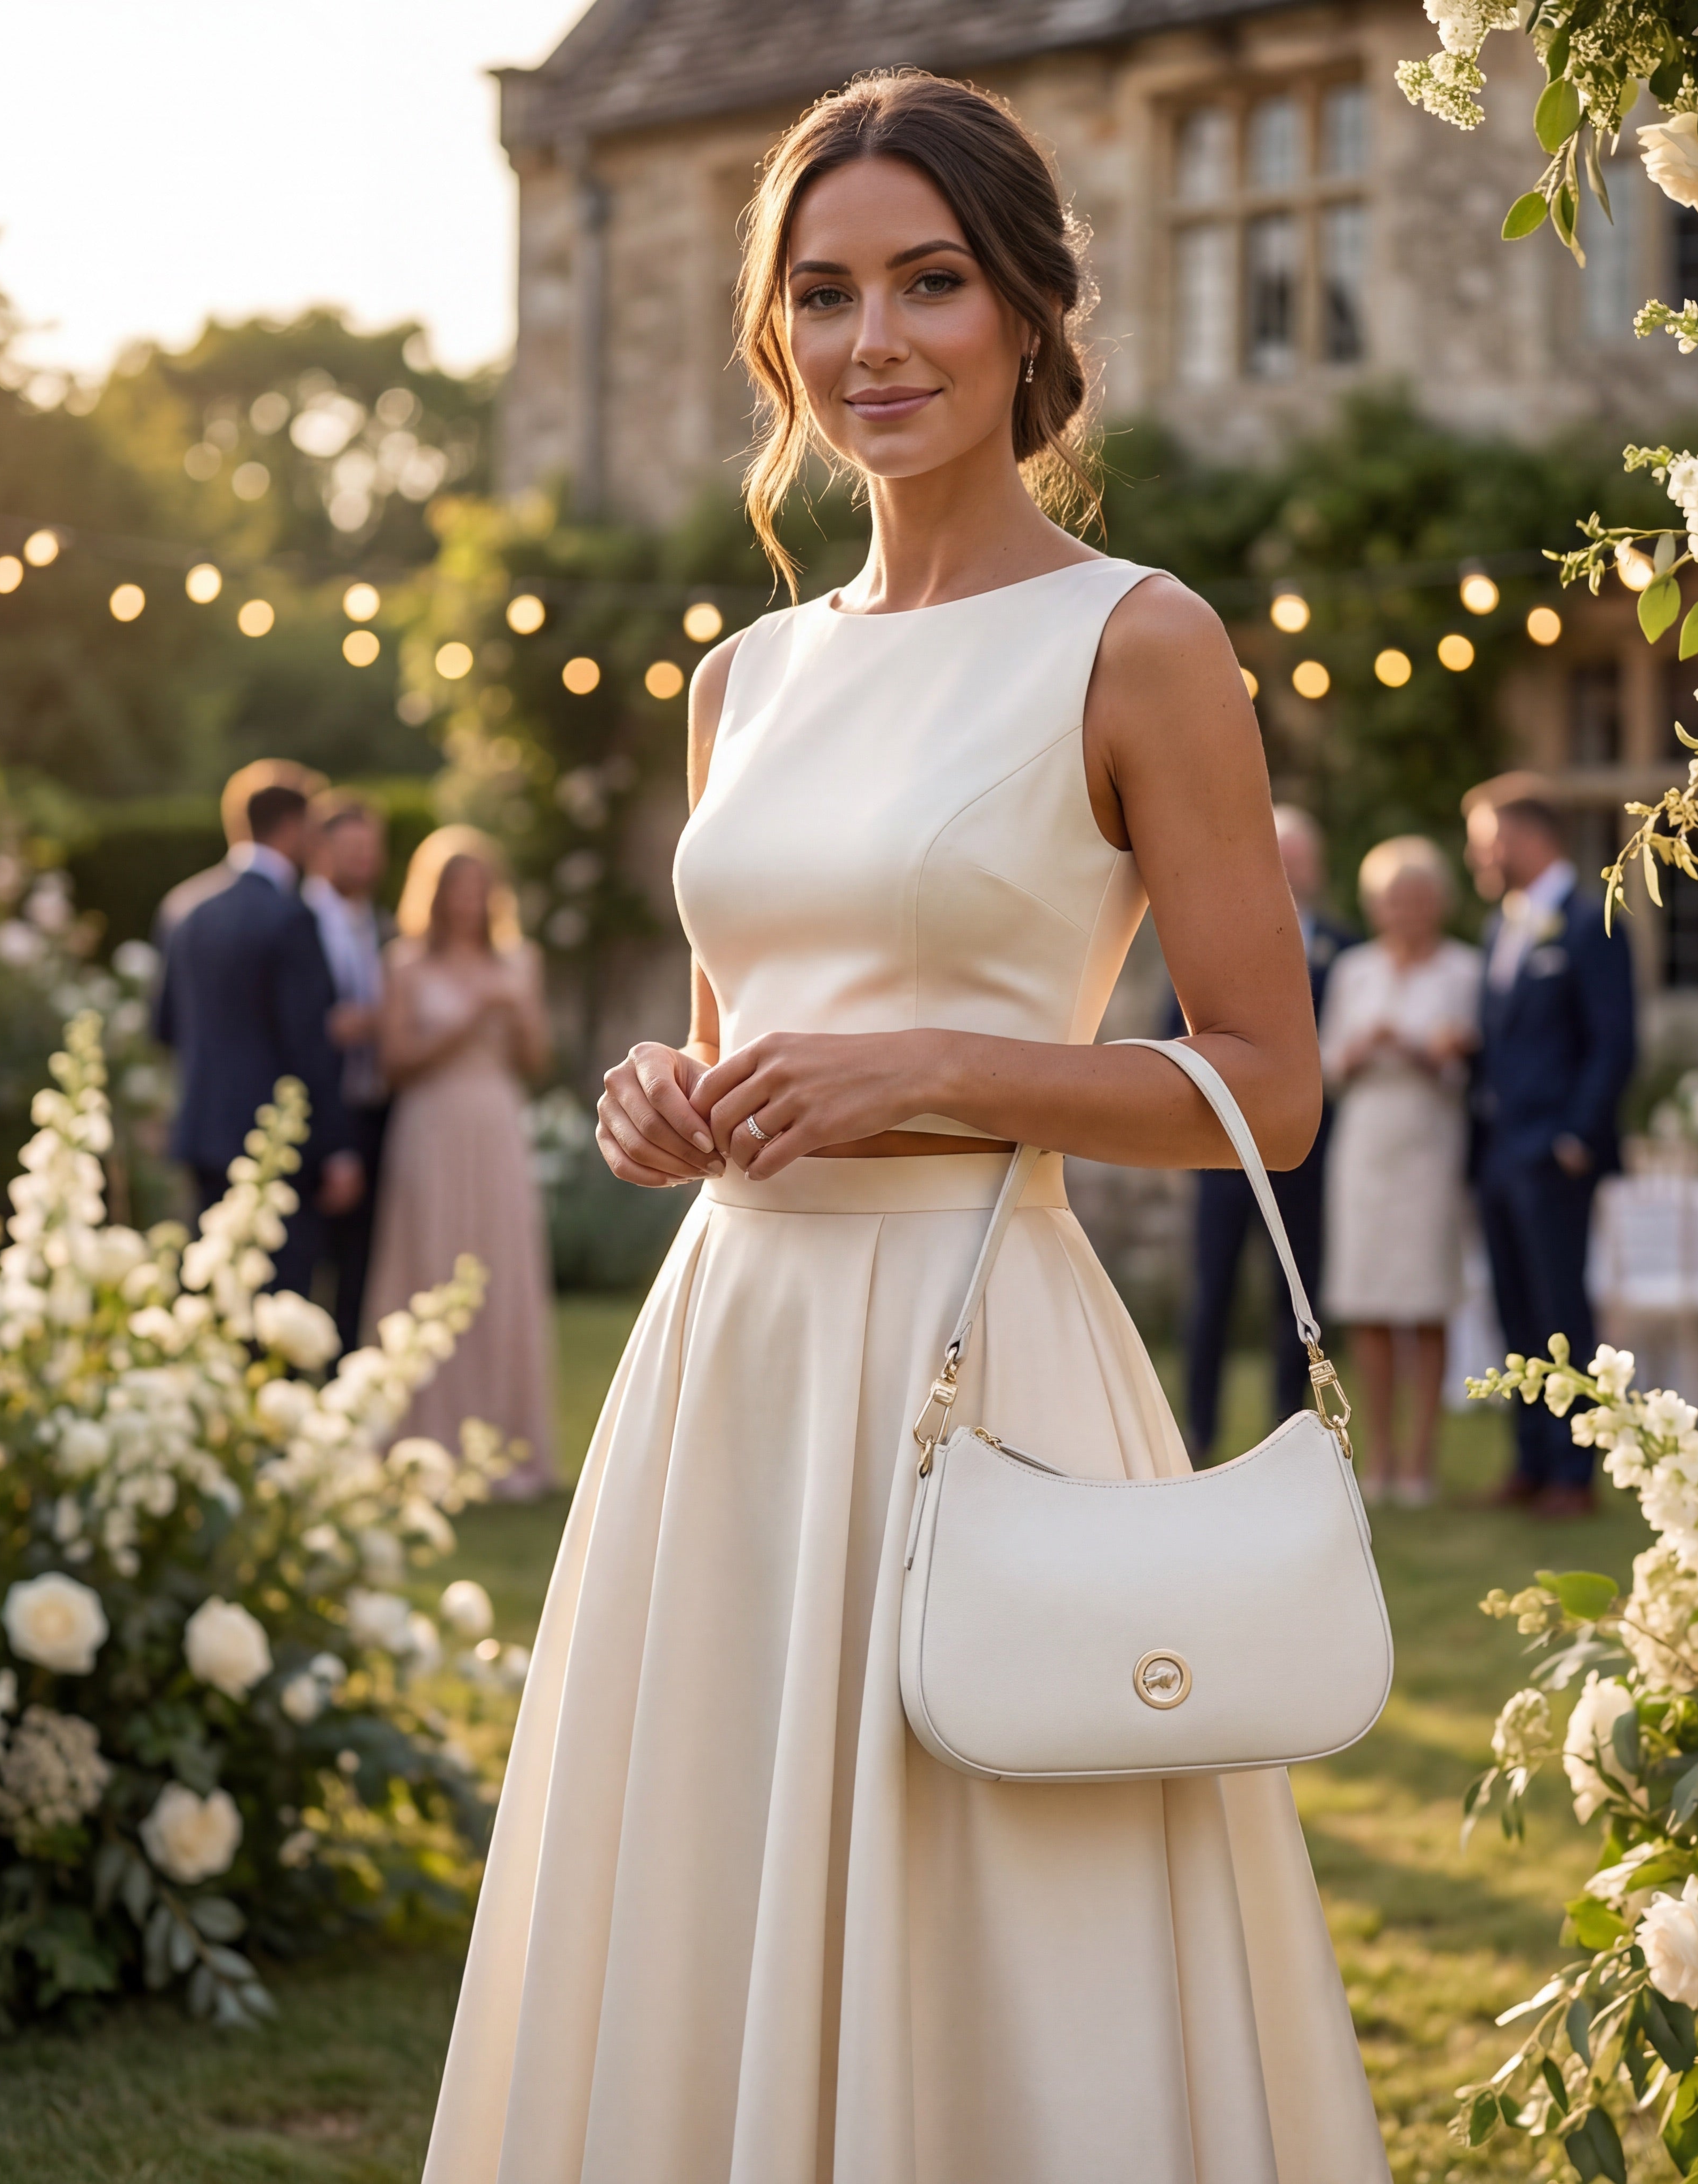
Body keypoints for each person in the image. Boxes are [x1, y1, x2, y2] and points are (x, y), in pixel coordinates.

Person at [423, 71, 1387, 2184]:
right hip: (728, 1377)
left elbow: (1269, 1087)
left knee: (993, 1917)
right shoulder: (740, 679)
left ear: (1031, 316)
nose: (879, 342)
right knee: (704, 1894)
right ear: (775, 336)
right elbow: (734, 1040)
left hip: (983, 1344)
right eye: (829, 292)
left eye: (931, 284)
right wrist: (665, 1102)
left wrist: (938, 1068)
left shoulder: (1141, 643)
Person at [364, 826, 557, 1498]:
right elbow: (393, 1063)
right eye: (457, 891)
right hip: (432, 1126)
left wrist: (517, 1008)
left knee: (501, 1271)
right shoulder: (405, 965)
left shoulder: (520, 961)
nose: (469, 903)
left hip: (495, 1122)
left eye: (479, 889)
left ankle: (504, 1444)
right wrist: (469, 1014)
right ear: (436, 897)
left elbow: (536, 1061)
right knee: (430, 1265)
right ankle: (423, 1440)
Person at [1464, 776, 1636, 1517]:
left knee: (1564, 1311)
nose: (1477, 856)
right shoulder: (1502, 925)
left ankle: (1576, 1473)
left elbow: (1615, 1041)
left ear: (1525, 839)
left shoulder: (1588, 920)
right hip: (1497, 1151)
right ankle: (1531, 1459)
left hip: (1553, 1154)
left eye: (1484, 840)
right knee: (1514, 1310)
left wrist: (1574, 1135)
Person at [1178, 802, 1352, 1463]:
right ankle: (1196, 1431)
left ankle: (1288, 1432)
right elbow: (1181, 1037)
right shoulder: (1211, 944)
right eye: (1280, 856)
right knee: (1211, 1288)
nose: (1289, 870)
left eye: (1300, 858)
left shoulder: (1344, 946)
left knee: (1297, 1292)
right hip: (1224, 1149)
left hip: (1305, 1152)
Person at [1319, 836, 1479, 1506]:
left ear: (1439, 902)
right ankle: (1377, 1456)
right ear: (1375, 906)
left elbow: (1466, 1066)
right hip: (1365, 1146)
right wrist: (1360, 1048)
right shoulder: (1353, 970)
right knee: (1370, 1303)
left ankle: (1420, 1461)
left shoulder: (1464, 971)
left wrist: (1418, 1050)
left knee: (1425, 1302)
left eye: (1418, 898)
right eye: (1393, 900)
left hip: (1430, 1141)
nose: (1406, 911)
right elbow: (1325, 1066)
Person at [155, 782, 361, 1296]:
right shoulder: (291, 918)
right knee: (276, 1302)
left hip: (202, 1134)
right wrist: (337, 1147)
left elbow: (163, 1026)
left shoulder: (185, 909)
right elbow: (310, 1044)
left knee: (211, 1296)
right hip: (278, 1148)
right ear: (291, 828)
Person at [302, 793, 391, 1354]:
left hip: (376, 1109)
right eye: (350, 849)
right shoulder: (299, 922)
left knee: (362, 1265)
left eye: (370, 850)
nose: (362, 860)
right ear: (322, 851)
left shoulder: (384, 927)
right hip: (316, 1112)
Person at [153, 758, 328, 946]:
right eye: (310, 822)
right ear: (290, 825)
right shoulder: (292, 915)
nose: (316, 836)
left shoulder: (179, 903)